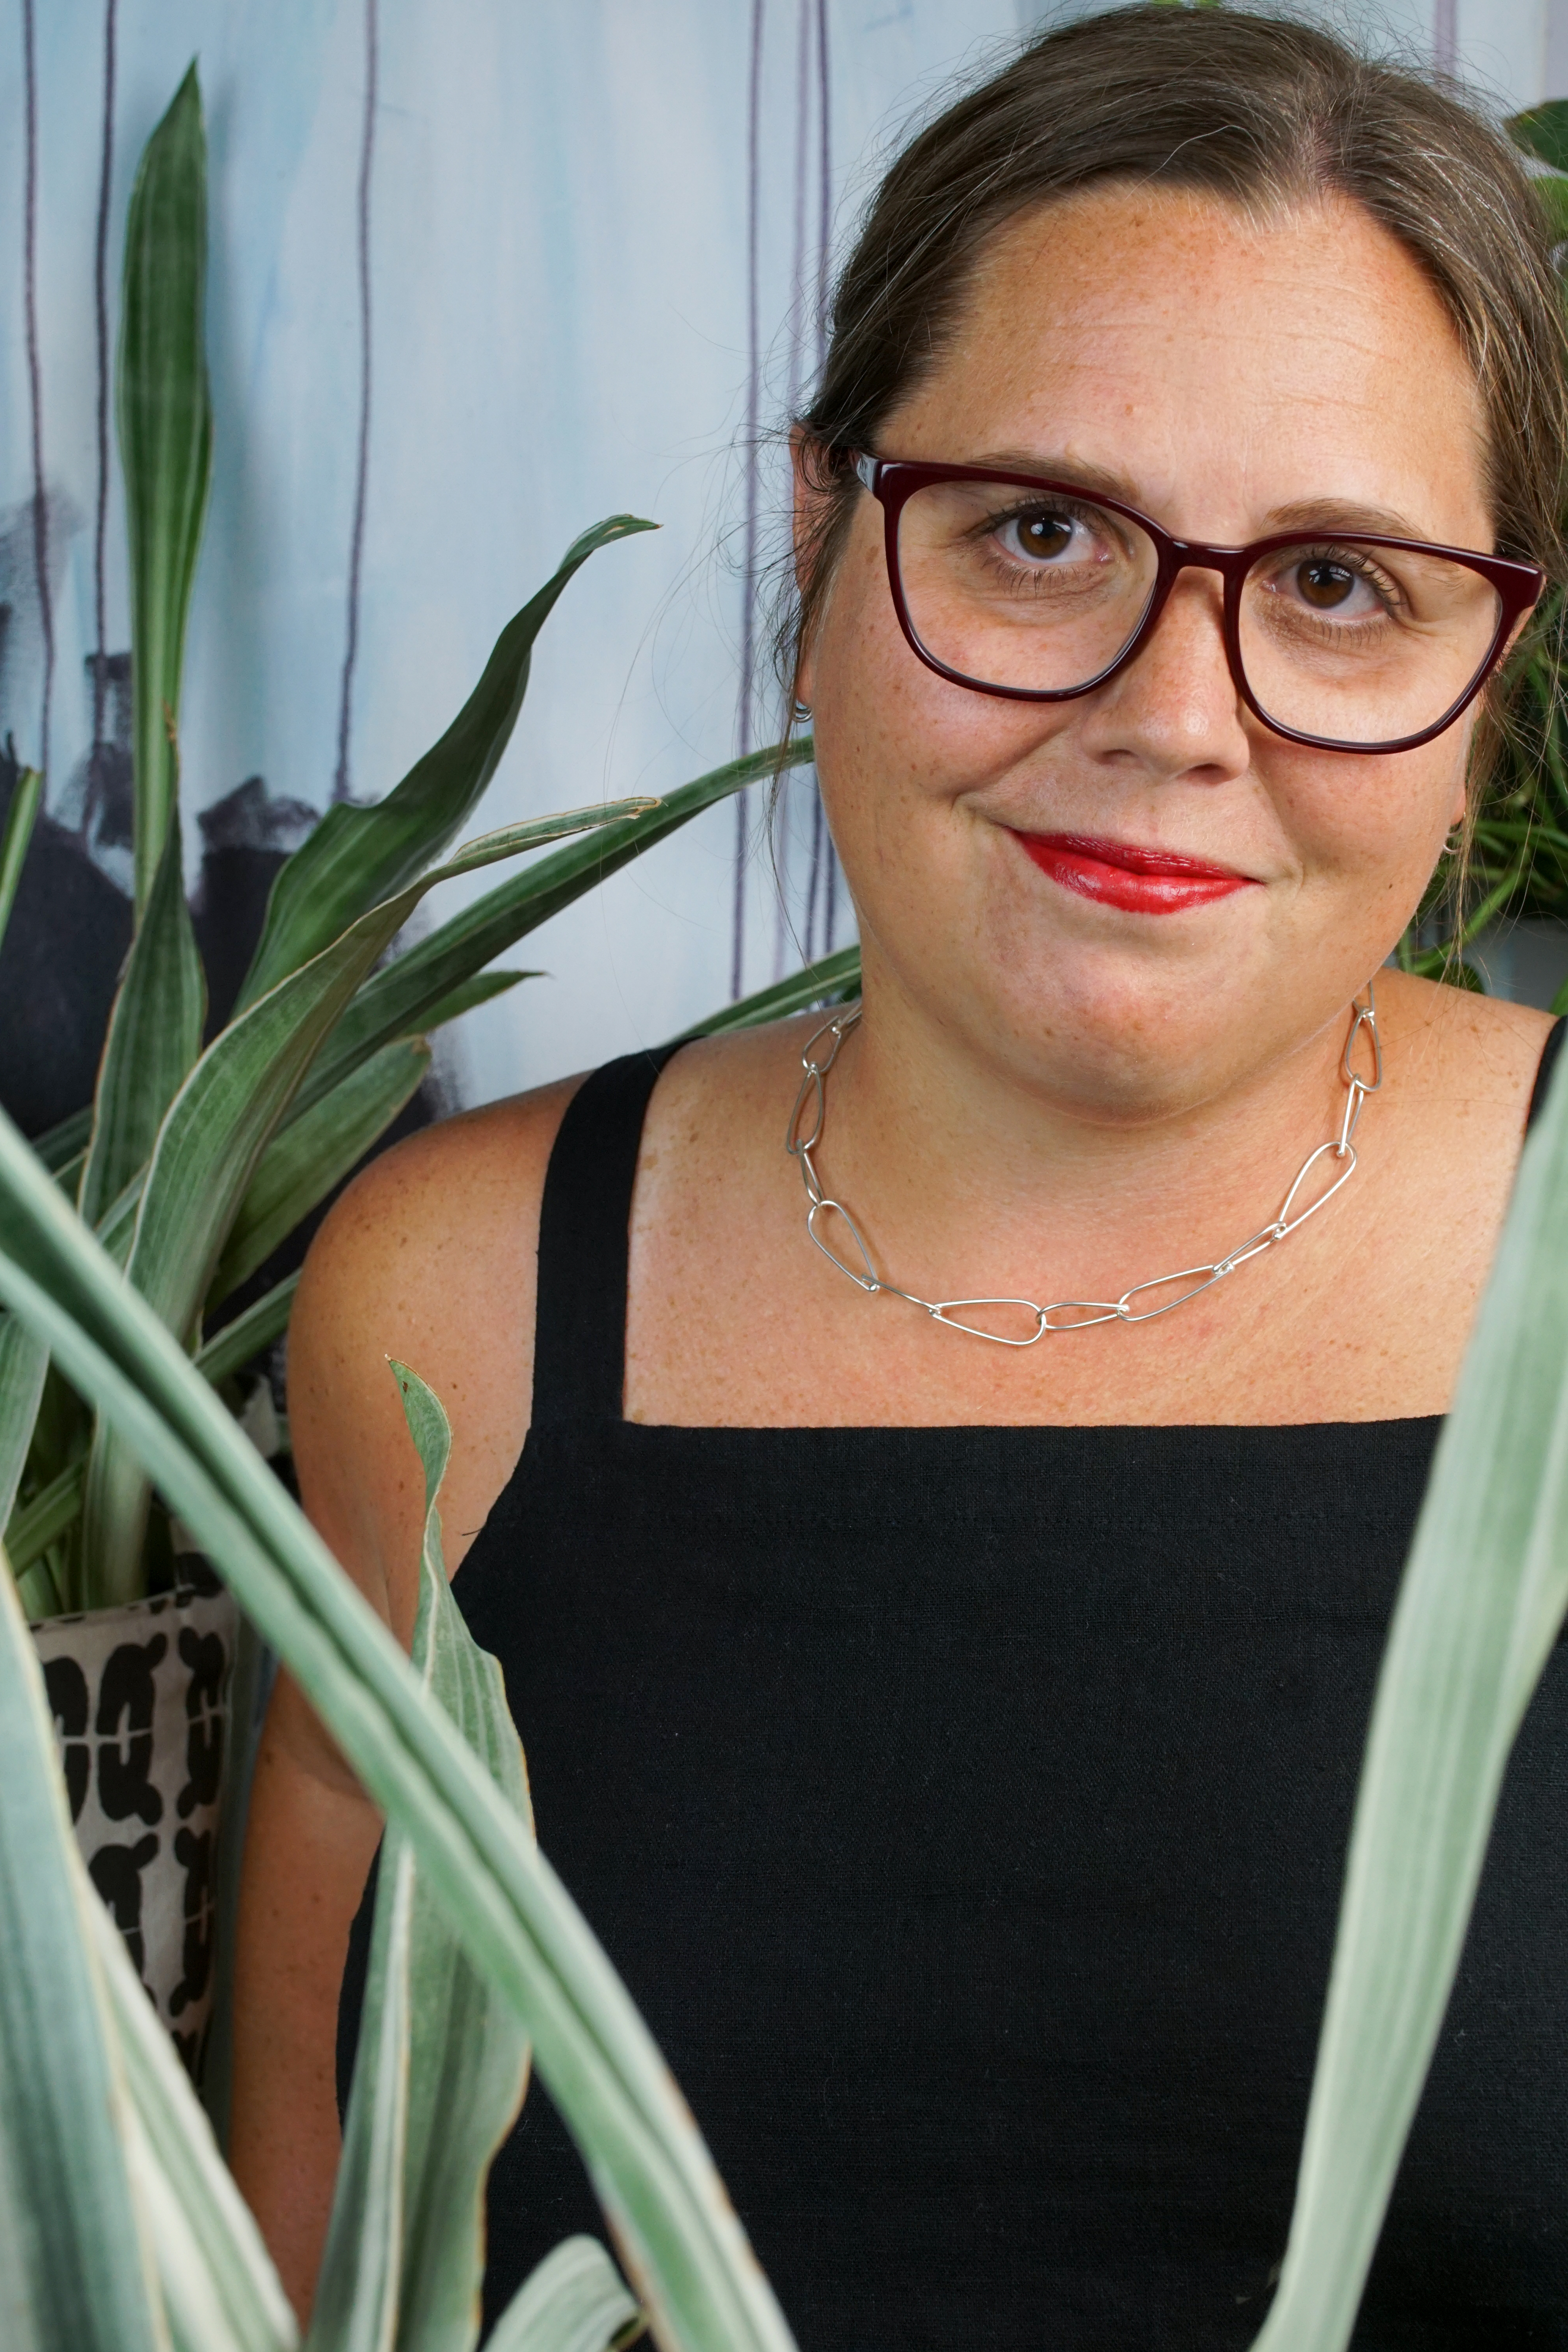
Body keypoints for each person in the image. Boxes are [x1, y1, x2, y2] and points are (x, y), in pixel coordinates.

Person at [231, 9, 1568, 2344]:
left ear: (1492, 673)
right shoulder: (454, 1302)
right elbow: (289, 2266)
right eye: (1042, 532)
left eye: (1343, 583)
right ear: (820, 529)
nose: (1175, 711)